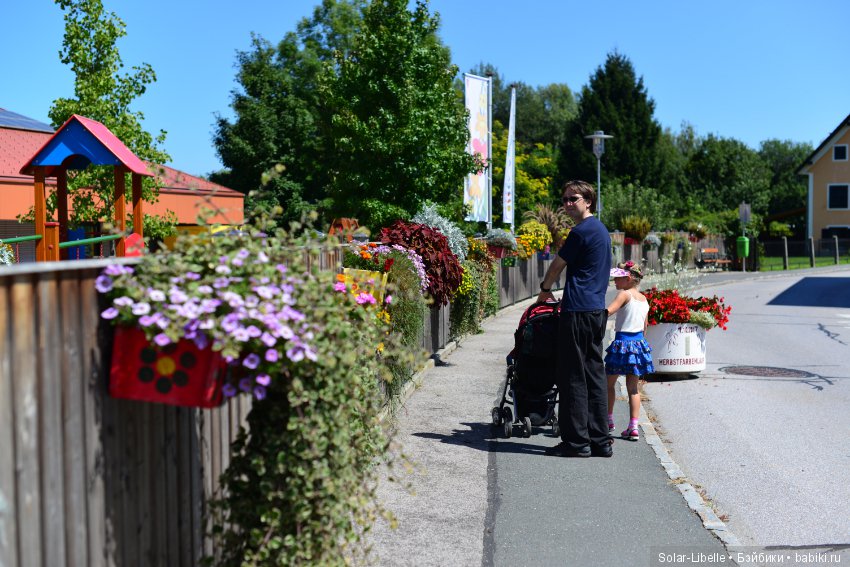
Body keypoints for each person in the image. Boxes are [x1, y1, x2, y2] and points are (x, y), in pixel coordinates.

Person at [538, 180, 612, 458]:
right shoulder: (601, 230)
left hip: (577, 310)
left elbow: (557, 265)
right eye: (565, 199)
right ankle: (600, 441)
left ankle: (576, 442)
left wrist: (545, 290)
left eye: (574, 198)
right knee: (594, 376)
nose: (568, 203)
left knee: (572, 377)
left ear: (588, 201)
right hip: (595, 311)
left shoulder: (581, 232)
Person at [604, 261, 654, 442]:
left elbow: (608, 312)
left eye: (617, 278)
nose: (614, 281)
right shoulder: (644, 299)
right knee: (633, 389)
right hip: (638, 344)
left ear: (627, 279)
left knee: (608, 384)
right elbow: (645, 325)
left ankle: (608, 420)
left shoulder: (624, 294)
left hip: (622, 345)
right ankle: (633, 427)